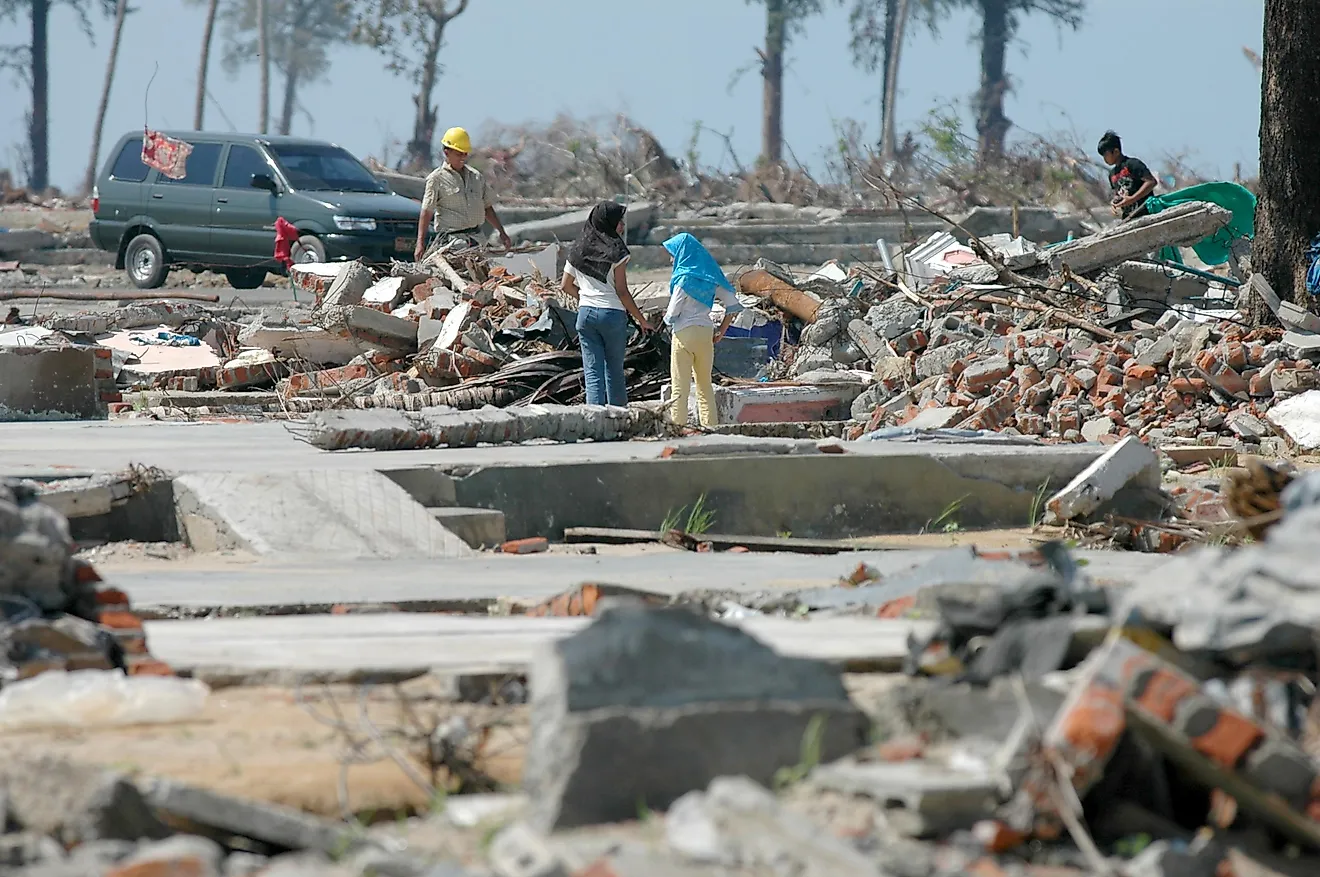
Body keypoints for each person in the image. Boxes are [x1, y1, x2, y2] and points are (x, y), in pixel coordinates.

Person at [561, 202, 652, 406]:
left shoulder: (578, 248)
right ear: (608, 222)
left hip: (585, 315)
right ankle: (619, 421)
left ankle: (595, 423)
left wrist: (585, 300)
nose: (622, 226)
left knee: (593, 373)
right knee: (614, 372)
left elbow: (565, 286)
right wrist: (642, 320)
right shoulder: (617, 251)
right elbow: (622, 291)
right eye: (619, 221)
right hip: (612, 315)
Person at [662, 232, 742, 428]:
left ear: (683, 254)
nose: (671, 259)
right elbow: (733, 305)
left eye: (673, 254)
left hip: (684, 333)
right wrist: (721, 331)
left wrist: (666, 321)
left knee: (680, 387)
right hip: (706, 333)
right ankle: (710, 428)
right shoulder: (711, 277)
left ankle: (678, 428)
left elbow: (672, 313)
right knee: (704, 385)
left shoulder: (683, 279)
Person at [414, 127, 512, 260]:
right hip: (452, 243)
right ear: (446, 152)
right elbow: (427, 212)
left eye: (465, 154)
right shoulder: (436, 179)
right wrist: (420, 243)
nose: (463, 158)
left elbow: (487, 207)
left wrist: (502, 232)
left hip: (477, 240)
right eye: (459, 154)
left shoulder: (476, 177)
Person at [1098, 130, 1158, 220]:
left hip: (1146, 213)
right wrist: (1114, 203)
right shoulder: (1112, 174)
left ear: (1116, 152)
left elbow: (1151, 182)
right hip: (1129, 217)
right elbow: (1117, 194)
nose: (1105, 159)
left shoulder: (1132, 164)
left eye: (1106, 155)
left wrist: (1132, 198)